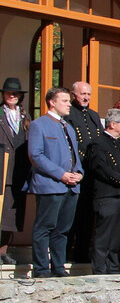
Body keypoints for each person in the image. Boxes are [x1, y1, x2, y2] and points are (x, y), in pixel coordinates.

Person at [26, 87, 84, 278]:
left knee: (62, 230)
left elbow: (75, 156)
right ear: (52, 102)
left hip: (71, 187)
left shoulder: (68, 126)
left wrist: (79, 173)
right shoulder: (39, 125)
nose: (69, 104)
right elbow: (36, 155)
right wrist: (61, 174)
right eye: (65, 101)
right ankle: (41, 268)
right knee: (45, 227)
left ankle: (58, 266)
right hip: (50, 185)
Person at [86, 108, 120, 275]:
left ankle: (113, 268)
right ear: (113, 124)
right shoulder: (98, 143)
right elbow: (101, 168)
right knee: (103, 236)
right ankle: (100, 269)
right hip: (107, 195)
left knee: (115, 237)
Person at [66, 81, 104, 264]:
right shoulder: (68, 114)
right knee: (72, 215)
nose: (86, 97)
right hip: (74, 171)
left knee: (88, 217)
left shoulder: (93, 116)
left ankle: (82, 253)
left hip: (91, 173)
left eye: (88, 94)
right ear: (73, 94)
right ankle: (66, 253)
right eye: (82, 94)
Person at [0, 78, 30, 265]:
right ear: (3, 95)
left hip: (18, 173)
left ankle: (3, 251)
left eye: (16, 93)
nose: (12, 96)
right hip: (1, 170)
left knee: (11, 216)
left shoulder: (25, 118)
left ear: (20, 97)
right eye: (9, 93)